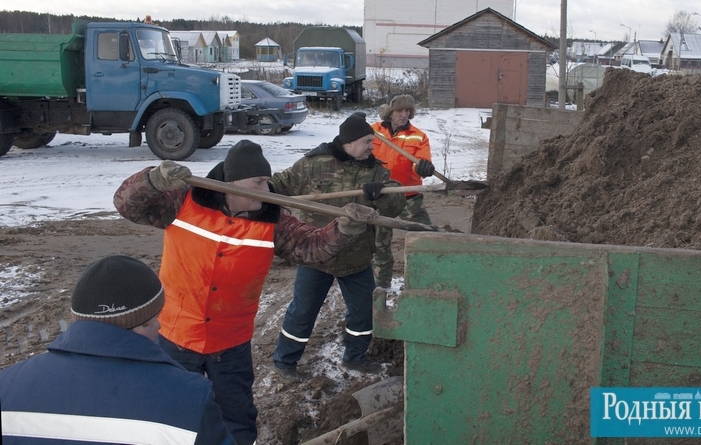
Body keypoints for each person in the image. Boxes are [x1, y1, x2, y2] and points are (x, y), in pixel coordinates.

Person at [113, 140, 376, 445]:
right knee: (168, 409)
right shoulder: (183, 201)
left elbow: (311, 248)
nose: (266, 190)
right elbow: (127, 204)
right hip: (176, 333)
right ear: (232, 184)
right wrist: (152, 180)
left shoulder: (273, 221)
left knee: (236, 415)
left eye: (267, 182)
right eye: (259, 182)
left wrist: (343, 228)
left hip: (231, 342)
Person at [0, 255, 236, 445]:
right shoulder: (190, 398)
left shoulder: (6, 385)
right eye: (155, 317)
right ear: (142, 323)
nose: (160, 325)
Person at [271, 113, 406, 383]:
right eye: (368, 141)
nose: (372, 146)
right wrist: (253, 189)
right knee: (303, 311)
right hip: (316, 256)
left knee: (364, 311)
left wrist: (381, 194)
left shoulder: (377, 172)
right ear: (349, 143)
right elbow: (278, 185)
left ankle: (354, 357)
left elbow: (397, 205)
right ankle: (285, 362)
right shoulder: (313, 164)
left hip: (355, 257)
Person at [370, 94, 436, 288]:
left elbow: (421, 160)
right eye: (400, 110)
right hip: (381, 196)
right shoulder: (373, 131)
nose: (404, 115)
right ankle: (381, 285)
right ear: (390, 112)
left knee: (423, 237)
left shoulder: (418, 136)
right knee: (378, 244)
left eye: (408, 111)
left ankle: (423, 283)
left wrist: (423, 167)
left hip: (409, 196)